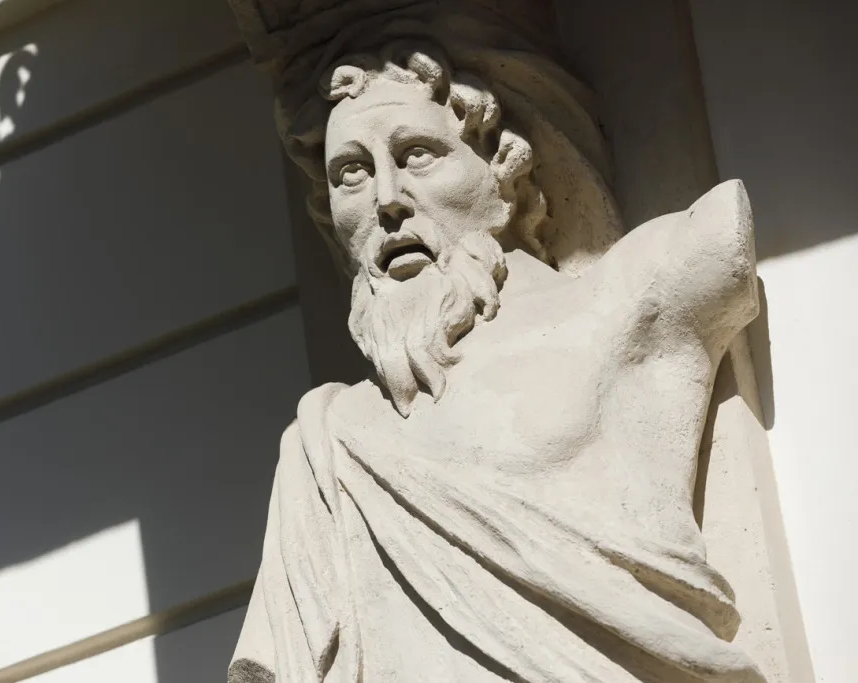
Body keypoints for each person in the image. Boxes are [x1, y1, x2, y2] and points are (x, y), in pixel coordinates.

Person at [229, 41, 766, 683]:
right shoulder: (326, 441)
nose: (387, 200)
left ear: (501, 170)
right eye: (352, 174)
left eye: (417, 155)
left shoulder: (641, 287)